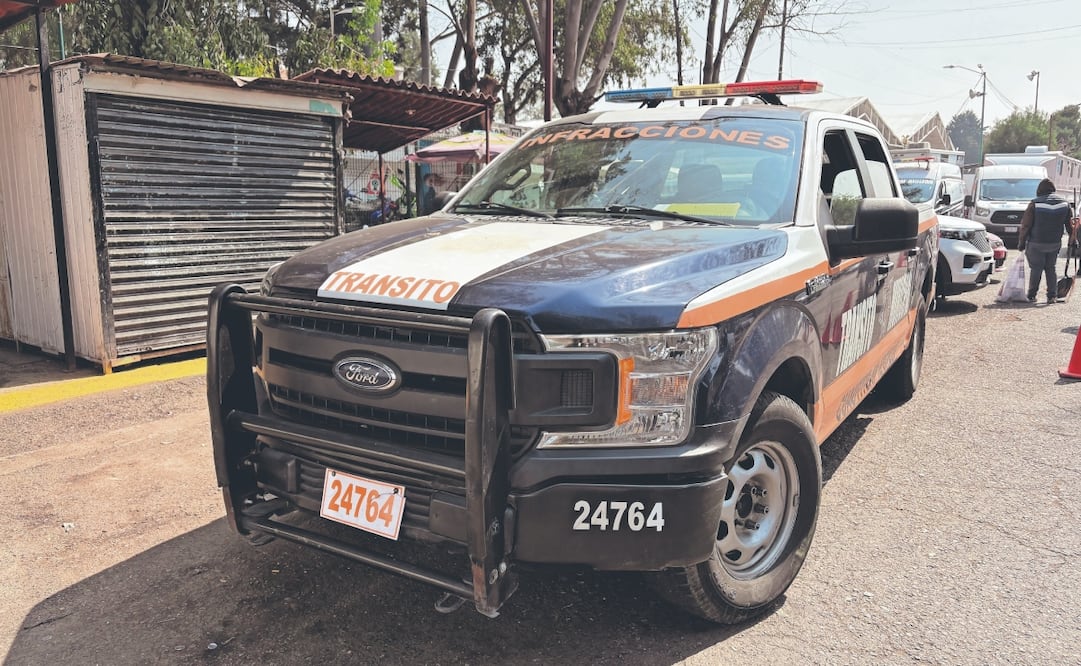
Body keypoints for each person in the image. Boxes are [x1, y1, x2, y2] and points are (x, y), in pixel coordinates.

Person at [1017, 178, 1074, 303]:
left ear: (1039, 190)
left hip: (1036, 242)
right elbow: (1070, 226)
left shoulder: (1034, 204)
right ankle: (1052, 296)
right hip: (1054, 243)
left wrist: (1021, 242)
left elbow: (1026, 226)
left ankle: (1032, 295)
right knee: (1051, 268)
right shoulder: (1065, 204)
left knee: (1036, 268)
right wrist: (1072, 240)